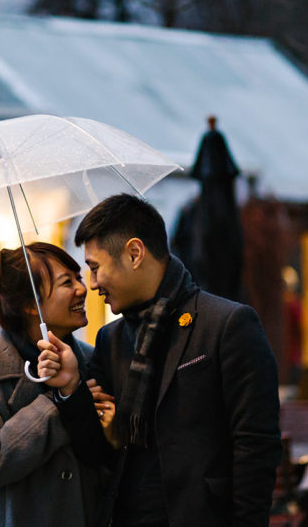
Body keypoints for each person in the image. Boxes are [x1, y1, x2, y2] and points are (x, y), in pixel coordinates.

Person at [38, 194, 281, 526]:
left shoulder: (227, 324)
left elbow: (256, 447)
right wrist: (69, 386)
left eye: (95, 268)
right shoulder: (110, 340)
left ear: (134, 253)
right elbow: (94, 451)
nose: (92, 284)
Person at [0, 242, 114, 527]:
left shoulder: (93, 360)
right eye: (68, 282)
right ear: (32, 305)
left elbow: (106, 458)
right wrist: (60, 402)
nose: (82, 289)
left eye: (78, 277)